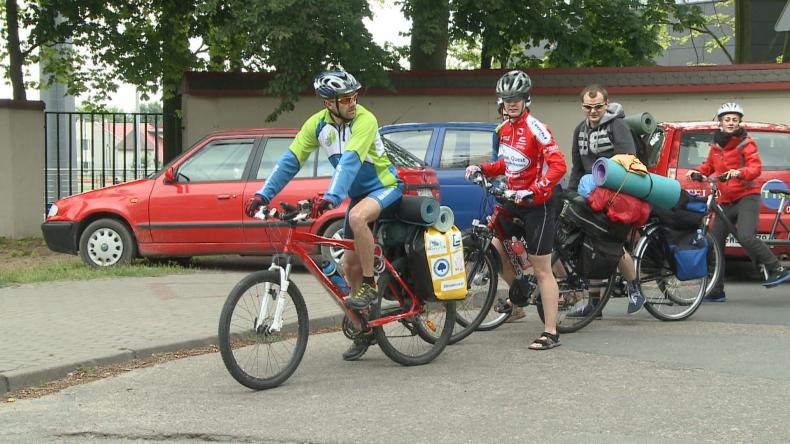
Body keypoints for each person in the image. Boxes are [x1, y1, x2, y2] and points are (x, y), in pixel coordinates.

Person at [246, 70, 403, 360]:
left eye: (355, 95)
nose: (353, 102)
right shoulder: (317, 125)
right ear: (329, 104)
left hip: (386, 187)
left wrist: (330, 197)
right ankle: (365, 328)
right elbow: (290, 161)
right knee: (348, 269)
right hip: (358, 196)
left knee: (356, 219)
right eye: (346, 98)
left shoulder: (365, 120)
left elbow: (350, 162)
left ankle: (370, 285)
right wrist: (262, 195)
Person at [465, 70, 567, 350]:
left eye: (517, 99)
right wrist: (482, 168)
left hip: (540, 202)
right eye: (507, 99)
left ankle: (550, 332)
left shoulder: (537, 128)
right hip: (514, 197)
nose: (512, 104)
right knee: (495, 243)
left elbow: (559, 166)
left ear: (526, 99)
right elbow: (505, 165)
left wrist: (535, 189)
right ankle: (518, 299)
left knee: (541, 268)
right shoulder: (503, 130)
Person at [686, 102, 790, 301]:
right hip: (725, 200)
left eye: (734, 119)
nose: (730, 123)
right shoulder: (716, 145)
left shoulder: (745, 143)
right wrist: (697, 172)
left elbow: (755, 168)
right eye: (727, 119)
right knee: (714, 243)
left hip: (746, 197)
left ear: (740, 122)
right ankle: (716, 290)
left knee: (746, 236)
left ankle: (776, 268)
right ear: (721, 122)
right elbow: (708, 166)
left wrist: (739, 173)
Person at [567, 84, 645, 314]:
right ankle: (594, 305)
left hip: (617, 193)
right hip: (590, 193)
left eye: (598, 106)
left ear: (606, 105)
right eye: (588, 107)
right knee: (589, 244)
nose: (593, 111)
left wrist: (606, 188)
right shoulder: (579, 130)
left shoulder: (617, 126)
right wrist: (570, 194)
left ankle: (635, 290)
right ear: (582, 106)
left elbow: (628, 160)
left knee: (611, 243)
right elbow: (577, 167)